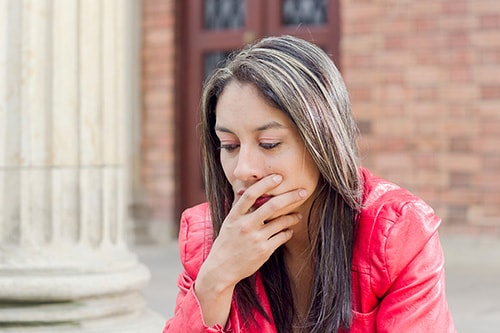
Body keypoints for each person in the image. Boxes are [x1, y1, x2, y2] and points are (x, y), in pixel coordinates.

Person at [163, 35, 456, 333]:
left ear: (322, 141)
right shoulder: (208, 237)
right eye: (229, 145)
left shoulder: (396, 233)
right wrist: (217, 277)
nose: (243, 169)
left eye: (268, 143)